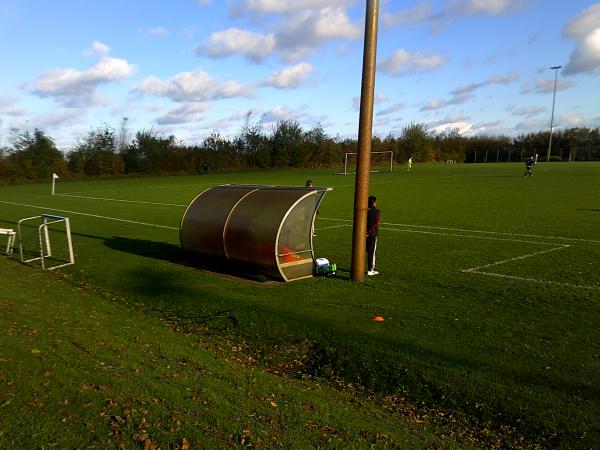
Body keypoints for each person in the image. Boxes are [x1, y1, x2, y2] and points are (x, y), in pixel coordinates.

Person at [366, 195, 381, 276]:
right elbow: (376, 224)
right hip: (372, 235)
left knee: (363, 251)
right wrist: (369, 232)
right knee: (371, 252)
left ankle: (359, 267)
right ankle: (370, 270)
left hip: (362, 234)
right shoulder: (377, 211)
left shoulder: (364, 211)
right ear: (374, 203)